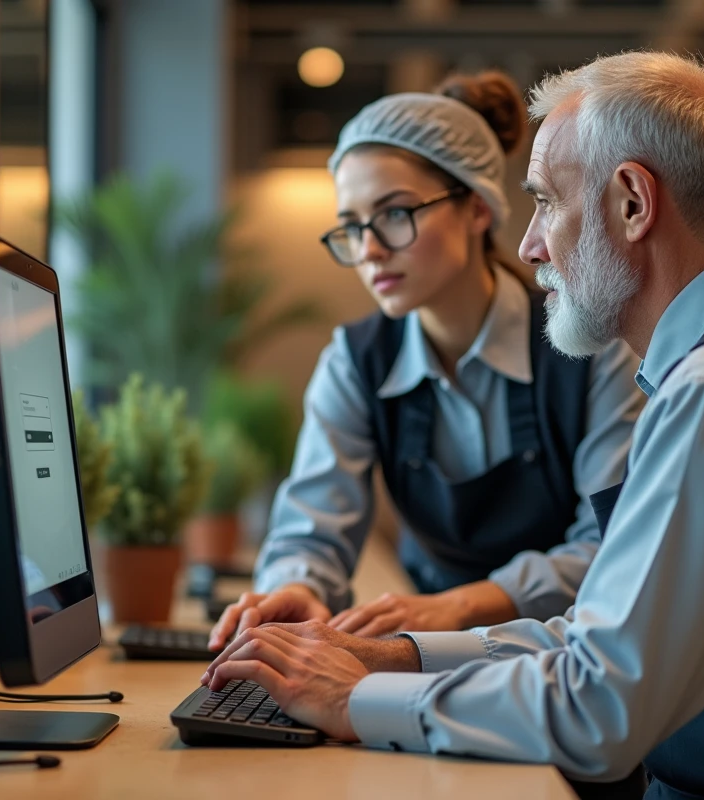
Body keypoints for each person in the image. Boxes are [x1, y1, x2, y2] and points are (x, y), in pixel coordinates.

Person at [202, 51, 704, 799]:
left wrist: (354, 701)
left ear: (633, 203)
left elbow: (599, 708)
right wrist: (395, 657)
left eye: (546, 202)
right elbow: (600, 636)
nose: (529, 245)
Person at [208, 71, 645, 650]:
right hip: (421, 644)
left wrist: (461, 604)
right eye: (351, 226)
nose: (369, 249)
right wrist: (299, 586)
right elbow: (310, 526)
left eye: (394, 214)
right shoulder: (356, 360)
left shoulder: (590, 348)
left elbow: (612, 543)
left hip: (565, 651)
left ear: (478, 209)